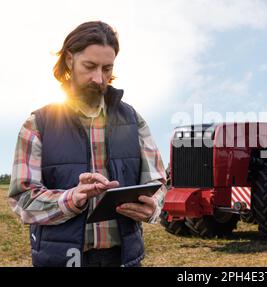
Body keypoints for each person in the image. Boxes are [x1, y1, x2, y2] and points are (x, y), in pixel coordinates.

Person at [8, 21, 167, 267]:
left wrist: (154, 206)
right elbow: (22, 200)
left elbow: (158, 184)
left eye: (107, 68)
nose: (99, 78)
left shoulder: (134, 120)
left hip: (123, 259)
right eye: (90, 66)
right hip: (61, 260)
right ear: (70, 60)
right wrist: (70, 198)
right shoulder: (38, 124)